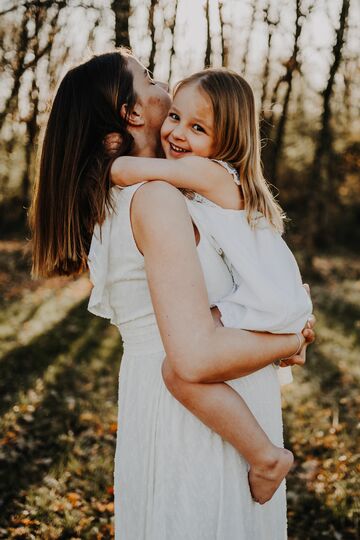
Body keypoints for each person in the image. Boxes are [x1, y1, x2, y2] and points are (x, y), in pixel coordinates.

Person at [29, 49, 315, 539]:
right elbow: (195, 357)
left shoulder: (136, 198)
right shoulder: (158, 197)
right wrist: (289, 341)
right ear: (134, 112)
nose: (165, 89)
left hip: (170, 404)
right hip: (197, 427)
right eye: (152, 80)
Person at [108, 67, 313, 504]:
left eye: (198, 128)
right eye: (176, 117)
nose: (178, 133)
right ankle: (287, 355)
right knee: (191, 348)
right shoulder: (213, 178)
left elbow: (124, 170)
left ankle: (265, 456)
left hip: (268, 302)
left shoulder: (211, 173)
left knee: (180, 368)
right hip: (272, 298)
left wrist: (113, 151)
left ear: (227, 143)